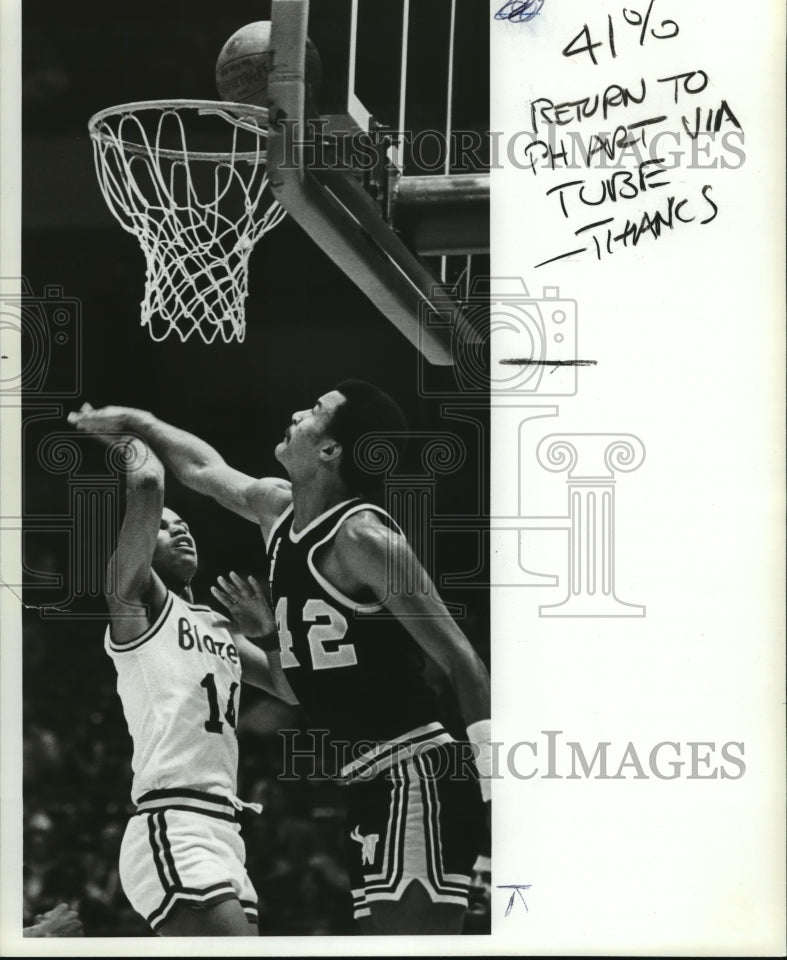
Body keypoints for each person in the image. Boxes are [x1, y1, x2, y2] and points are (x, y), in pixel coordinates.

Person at [68, 380, 492, 935]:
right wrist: (139, 420)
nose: (297, 411)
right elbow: (200, 469)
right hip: (368, 780)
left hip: (413, 767)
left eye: (315, 410)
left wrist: (494, 791)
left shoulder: (364, 538)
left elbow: (464, 661)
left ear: (331, 450)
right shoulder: (276, 509)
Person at [80, 430, 295, 937]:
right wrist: (128, 432)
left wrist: (267, 635)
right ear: (137, 544)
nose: (181, 532)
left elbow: (290, 690)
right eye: (164, 528)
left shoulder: (218, 627)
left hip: (224, 827)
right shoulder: (135, 609)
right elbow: (150, 484)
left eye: (186, 526)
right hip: (172, 820)